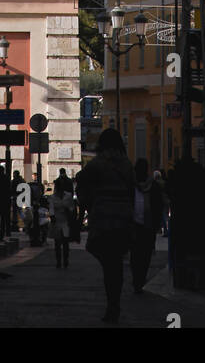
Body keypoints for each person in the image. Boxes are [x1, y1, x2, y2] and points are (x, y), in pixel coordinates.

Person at [77, 128, 134, 323]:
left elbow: (82, 183)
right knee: (116, 264)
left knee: (108, 263)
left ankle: (112, 305)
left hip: (103, 220)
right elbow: (133, 191)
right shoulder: (126, 164)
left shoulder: (97, 164)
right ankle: (114, 303)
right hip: (123, 220)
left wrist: (85, 211)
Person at [131, 158, 165, 293]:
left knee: (140, 255)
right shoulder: (149, 186)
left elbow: (158, 205)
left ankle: (138, 280)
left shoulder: (134, 186)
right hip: (141, 225)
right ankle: (138, 280)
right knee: (141, 255)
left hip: (143, 225)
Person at [48, 179, 75, 269]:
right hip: (57, 221)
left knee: (65, 242)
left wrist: (69, 210)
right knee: (57, 243)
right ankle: (58, 261)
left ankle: (65, 260)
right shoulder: (52, 197)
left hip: (65, 220)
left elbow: (72, 207)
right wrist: (52, 217)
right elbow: (51, 208)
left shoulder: (68, 196)